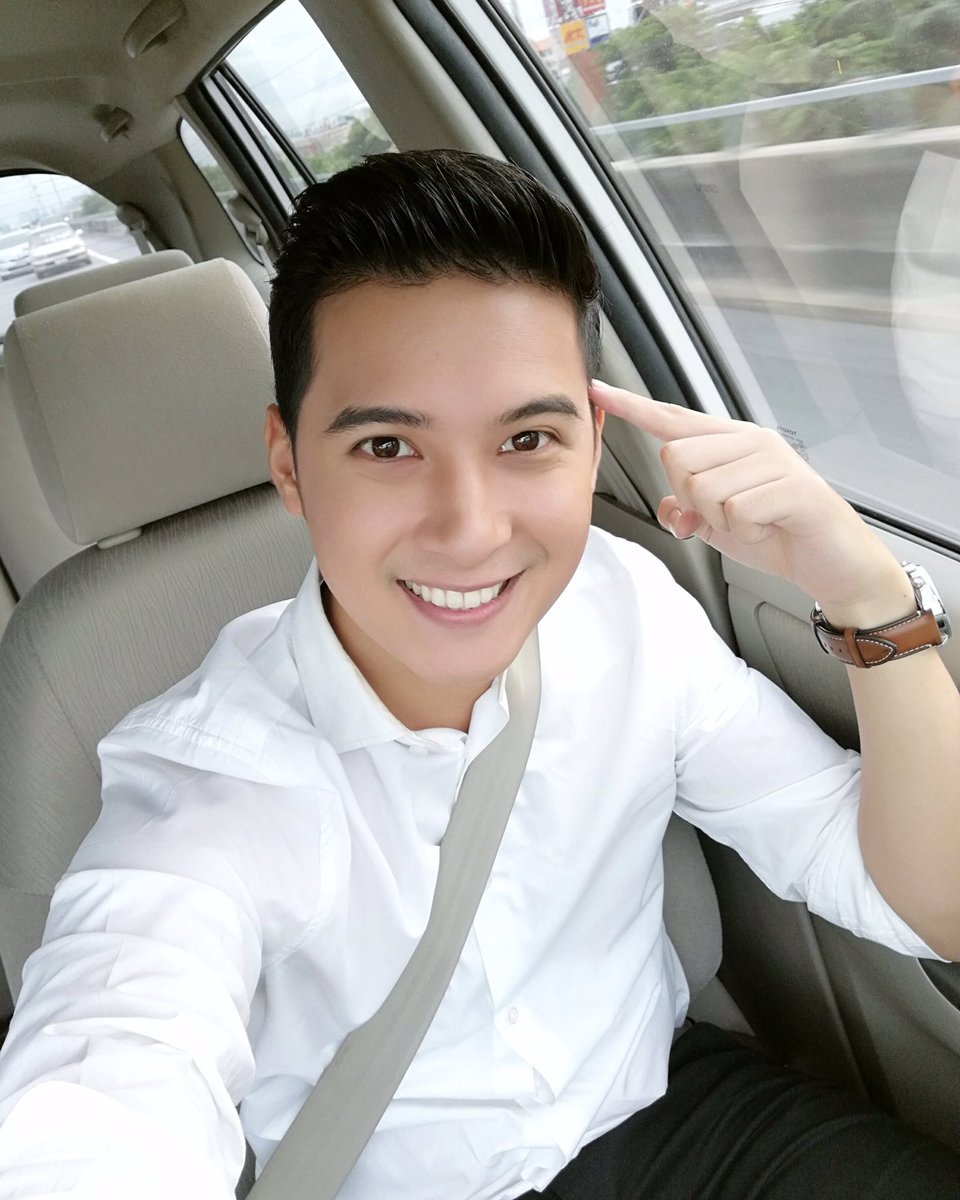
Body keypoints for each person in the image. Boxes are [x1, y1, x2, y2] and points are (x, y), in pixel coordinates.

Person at [0, 149, 957, 1200]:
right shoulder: (206, 786)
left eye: (527, 438)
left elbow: (923, 901)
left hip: (679, 1122)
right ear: (288, 465)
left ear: (592, 445)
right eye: (387, 448)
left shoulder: (628, 608)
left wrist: (868, 593)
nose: (470, 530)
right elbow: (108, 1080)